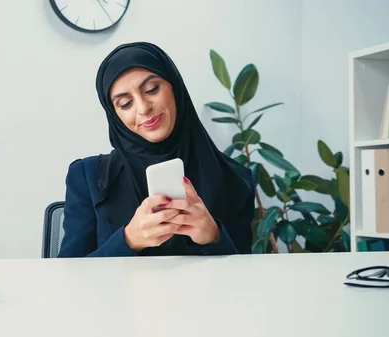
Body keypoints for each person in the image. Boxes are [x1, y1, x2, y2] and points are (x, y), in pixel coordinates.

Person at [57, 42, 255, 258]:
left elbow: (243, 281)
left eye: (152, 89)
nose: (143, 108)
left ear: (175, 87)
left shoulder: (234, 178)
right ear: (114, 115)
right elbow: (69, 276)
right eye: (125, 103)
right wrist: (128, 240)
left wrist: (214, 236)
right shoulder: (87, 178)